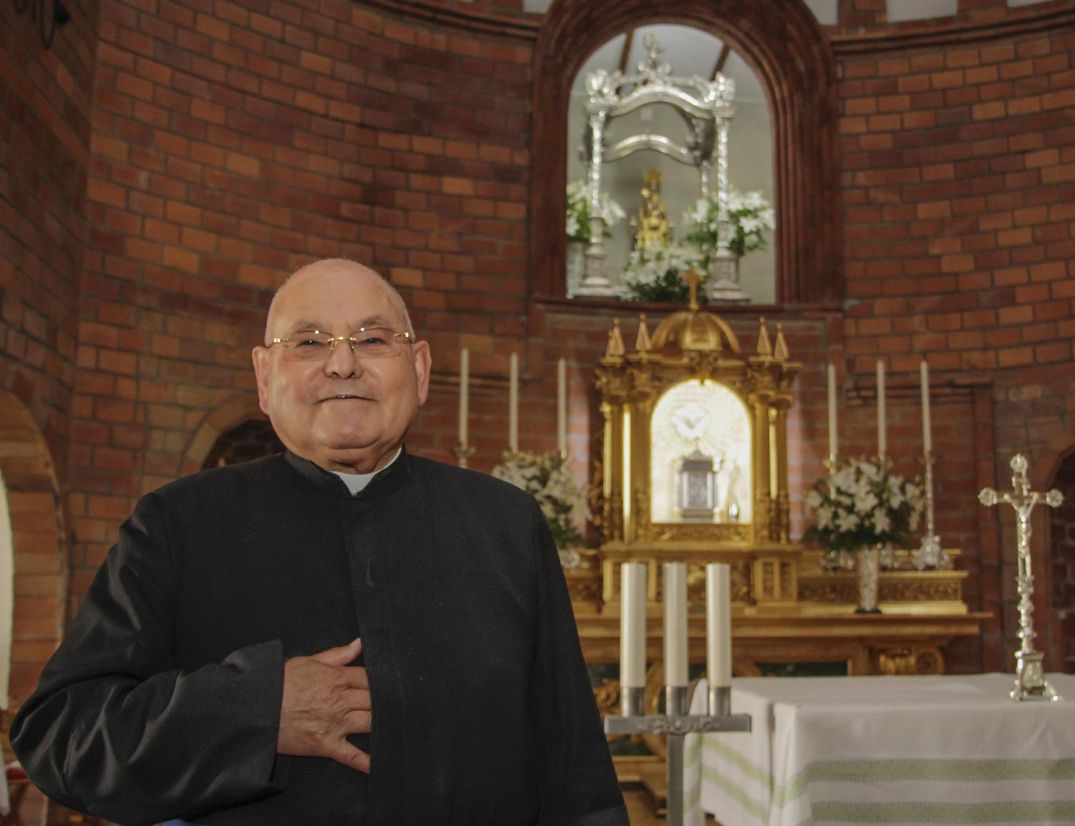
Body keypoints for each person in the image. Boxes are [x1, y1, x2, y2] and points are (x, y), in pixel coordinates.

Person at [10, 259, 628, 825]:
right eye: (308, 343)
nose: (342, 364)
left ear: (419, 369)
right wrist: (253, 710)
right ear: (263, 376)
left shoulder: (506, 524)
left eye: (373, 339)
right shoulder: (178, 524)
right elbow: (62, 737)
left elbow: (575, 771)